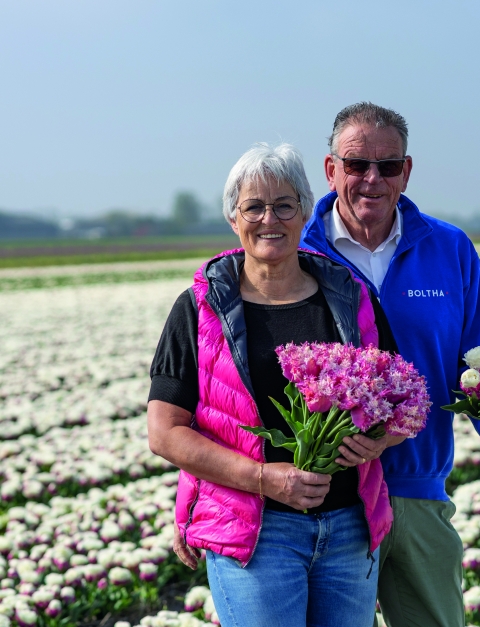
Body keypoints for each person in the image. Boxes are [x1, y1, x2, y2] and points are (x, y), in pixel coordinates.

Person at [147, 143, 399, 627]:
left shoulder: (350, 298)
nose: (270, 219)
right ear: (233, 218)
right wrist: (265, 479)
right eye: (254, 207)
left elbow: (400, 402)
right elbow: (165, 433)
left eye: (284, 205)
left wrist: (377, 440)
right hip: (254, 532)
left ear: (305, 212)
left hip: (348, 527)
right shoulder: (199, 309)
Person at [300, 102, 480, 627]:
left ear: (407, 171)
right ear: (331, 169)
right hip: (324, 500)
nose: (372, 179)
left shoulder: (449, 249)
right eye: (357, 164)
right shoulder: (297, 251)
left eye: (387, 165)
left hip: (417, 492)